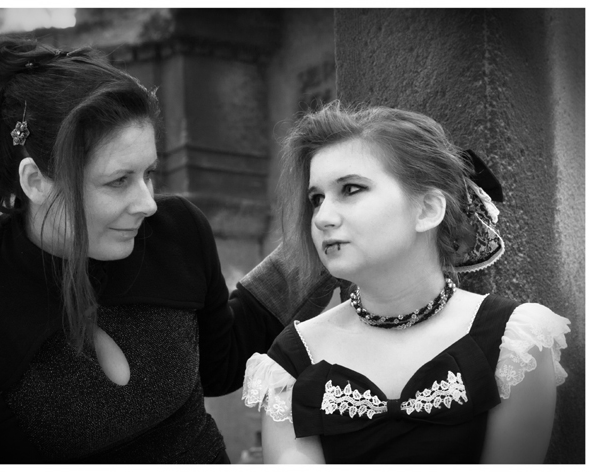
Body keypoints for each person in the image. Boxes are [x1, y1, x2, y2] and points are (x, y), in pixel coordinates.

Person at [0, 37, 335, 464]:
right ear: (35, 181)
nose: (147, 203)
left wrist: (321, 240)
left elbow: (219, 364)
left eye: (148, 174)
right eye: (118, 181)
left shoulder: (176, 230)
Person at [242, 103, 570, 463]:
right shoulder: (290, 361)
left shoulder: (515, 342)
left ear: (427, 209)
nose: (322, 217)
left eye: (350, 189)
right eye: (316, 199)